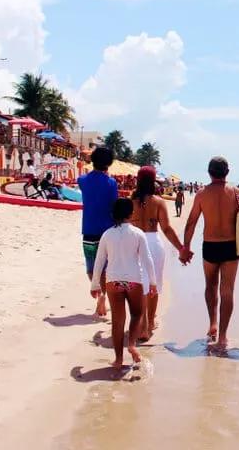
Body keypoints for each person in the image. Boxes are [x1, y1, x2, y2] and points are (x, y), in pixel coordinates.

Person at [180, 156, 239, 352]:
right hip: (231, 247)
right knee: (227, 290)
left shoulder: (201, 195)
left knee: (210, 286)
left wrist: (186, 247)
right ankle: (223, 337)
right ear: (227, 173)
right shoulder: (236, 193)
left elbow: (191, 222)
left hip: (210, 246)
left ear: (209, 172)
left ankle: (212, 325)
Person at [91, 198, 156, 371]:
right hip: (134, 281)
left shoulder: (107, 234)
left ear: (113, 214)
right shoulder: (138, 233)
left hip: (113, 282)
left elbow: (99, 261)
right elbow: (147, 259)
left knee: (117, 322)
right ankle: (132, 344)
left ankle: (118, 359)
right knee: (137, 314)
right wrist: (153, 282)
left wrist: (95, 284)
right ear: (131, 213)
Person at [130, 166, 184, 341]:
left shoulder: (131, 200)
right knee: (153, 284)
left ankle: (142, 324)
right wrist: (181, 248)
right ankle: (150, 323)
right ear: (153, 181)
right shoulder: (159, 202)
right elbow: (167, 228)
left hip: (135, 242)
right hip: (154, 243)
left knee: (140, 285)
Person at [78, 147, 118, 317]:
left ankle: (99, 295)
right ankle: (103, 296)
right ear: (108, 164)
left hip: (89, 228)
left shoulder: (82, 180)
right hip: (107, 231)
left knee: (91, 266)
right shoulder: (111, 183)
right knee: (105, 269)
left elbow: (83, 179)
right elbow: (114, 206)